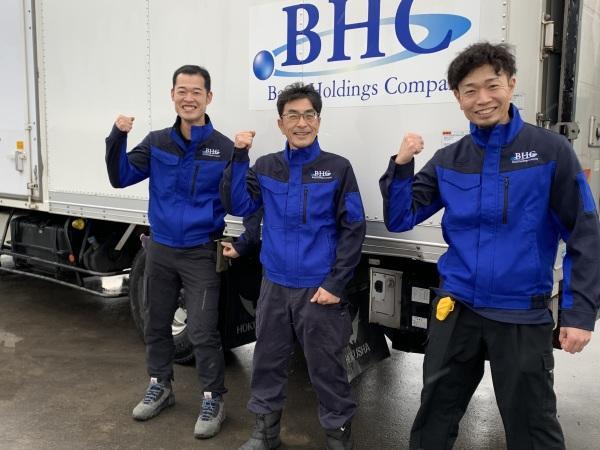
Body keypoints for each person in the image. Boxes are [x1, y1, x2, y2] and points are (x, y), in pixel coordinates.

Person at [380, 42, 600, 449]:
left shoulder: (551, 152)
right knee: (433, 420)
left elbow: (585, 233)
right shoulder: (450, 159)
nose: (482, 99)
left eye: (492, 86)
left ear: (511, 85)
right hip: (457, 308)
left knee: (533, 429)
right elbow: (400, 217)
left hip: (521, 313)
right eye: (470, 90)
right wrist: (402, 165)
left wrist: (580, 313)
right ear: (458, 97)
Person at [105, 64, 255, 439]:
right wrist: (118, 137)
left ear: (209, 97)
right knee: (156, 323)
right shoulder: (157, 142)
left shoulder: (223, 148)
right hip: (160, 249)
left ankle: (213, 398)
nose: (189, 98)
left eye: (196, 92)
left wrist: (241, 159)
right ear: (173, 95)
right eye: (182, 91)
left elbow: (241, 204)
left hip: (201, 252)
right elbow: (120, 177)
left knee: (203, 330)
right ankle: (160, 385)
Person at [220, 82, 366, 450]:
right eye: (293, 116)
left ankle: (338, 435)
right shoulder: (266, 166)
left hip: (318, 288)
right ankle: (265, 432)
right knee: (267, 360)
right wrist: (239, 156)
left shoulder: (337, 168)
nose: (302, 123)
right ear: (280, 123)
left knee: (326, 367)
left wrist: (336, 283)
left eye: (309, 115)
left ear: (318, 120)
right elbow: (238, 204)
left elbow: (353, 228)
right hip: (274, 285)